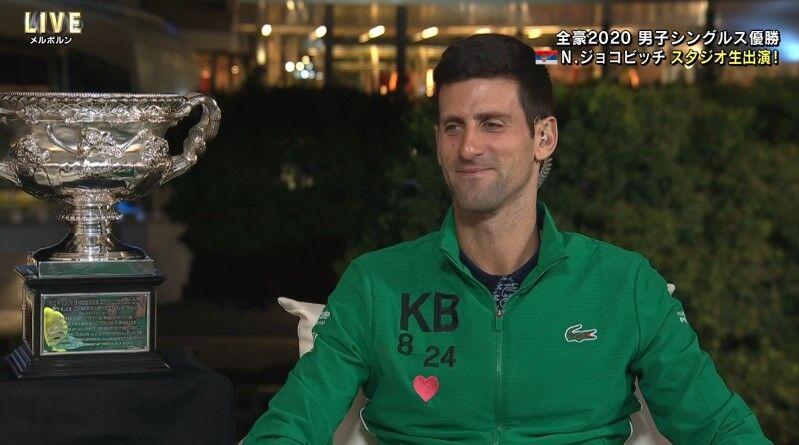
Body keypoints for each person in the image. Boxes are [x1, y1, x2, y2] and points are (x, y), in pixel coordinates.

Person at [244, 34, 771, 444]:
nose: (468, 147)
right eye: (453, 126)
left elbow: (722, 428)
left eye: (492, 124)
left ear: (544, 137)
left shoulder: (624, 284)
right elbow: (289, 425)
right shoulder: (376, 284)